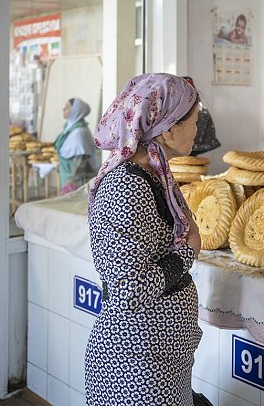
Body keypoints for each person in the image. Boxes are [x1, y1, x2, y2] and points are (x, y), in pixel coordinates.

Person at [85, 73, 204, 405]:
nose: (198, 131)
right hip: (135, 369)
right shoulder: (128, 187)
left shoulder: (153, 175)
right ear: (168, 128)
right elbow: (128, 291)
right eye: (194, 122)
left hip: (157, 361)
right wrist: (188, 253)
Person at [53, 98, 100, 194]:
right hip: (68, 176)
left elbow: (80, 161)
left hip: (75, 180)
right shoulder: (69, 128)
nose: (63, 110)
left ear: (76, 111)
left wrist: (71, 180)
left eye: (66, 108)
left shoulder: (79, 132)